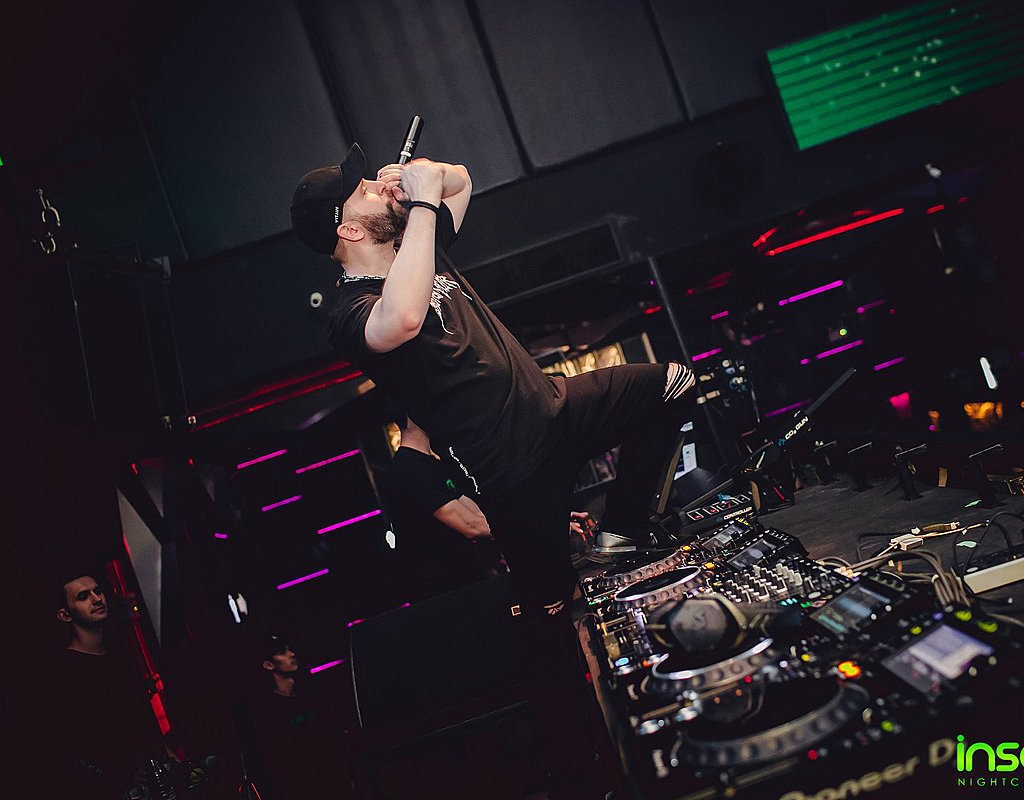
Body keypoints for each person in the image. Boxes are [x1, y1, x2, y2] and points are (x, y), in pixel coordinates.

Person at [290, 145, 694, 797]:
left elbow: (462, 181)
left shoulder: (418, 241)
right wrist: (420, 204)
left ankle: (623, 535)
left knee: (675, 385)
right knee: (553, 621)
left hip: (556, 406)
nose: (379, 186)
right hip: (513, 470)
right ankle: (584, 771)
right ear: (347, 229)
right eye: (364, 189)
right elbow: (403, 318)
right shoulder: (348, 311)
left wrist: (423, 180)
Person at [45, 572, 170, 796]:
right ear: (65, 615)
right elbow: (64, 747)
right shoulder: (64, 673)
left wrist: (169, 756)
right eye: (83, 596)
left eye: (98, 591)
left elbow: (139, 721)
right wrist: (120, 777)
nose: (97, 599)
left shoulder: (118, 658)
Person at [384, 413, 504, 600]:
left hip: (463, 580)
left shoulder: (431, 462)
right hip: (442, 590)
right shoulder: (409, 467)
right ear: (412, 415)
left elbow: (473, 512)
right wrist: (523, 530)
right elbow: (470, 526)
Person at [236, 635, 353, 799]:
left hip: (333, 782)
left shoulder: (311, 695)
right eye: (282, 652)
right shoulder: (267, 711)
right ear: (268, 665)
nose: (291, 654)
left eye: (289, 649)